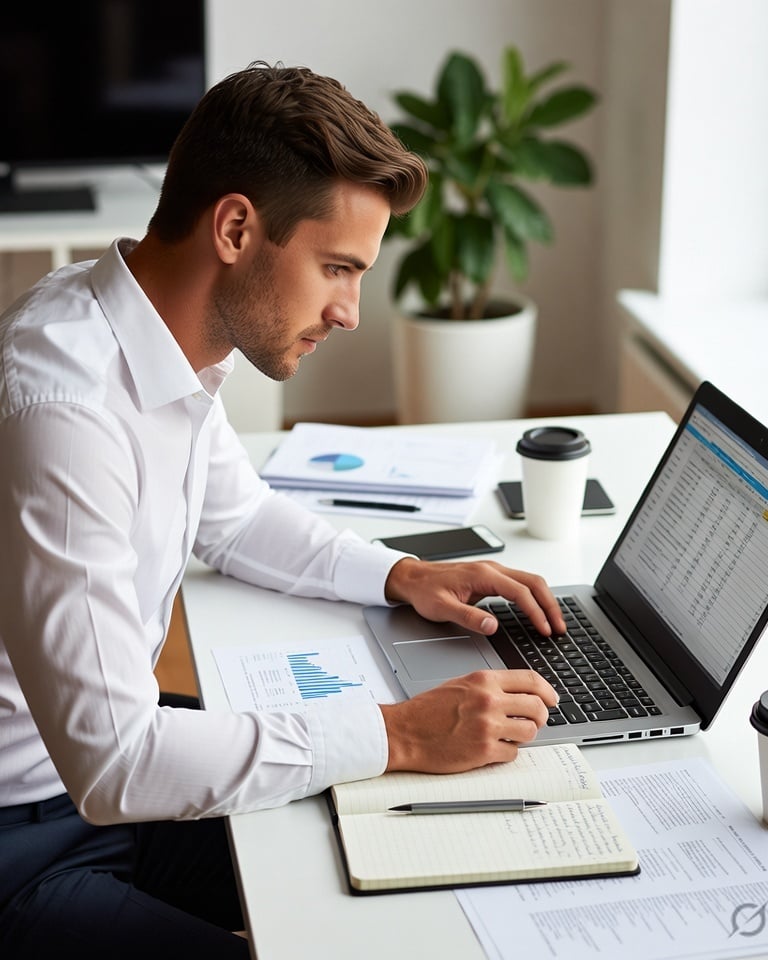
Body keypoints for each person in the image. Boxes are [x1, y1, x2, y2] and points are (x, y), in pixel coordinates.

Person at [0, 62, 564, 957]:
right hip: (28, 835)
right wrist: (397, 732)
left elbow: (237, 517)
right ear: (235, 227)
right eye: (337, 267)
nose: (348, 312)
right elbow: (116, 764)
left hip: (101, 783)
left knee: (415, 852)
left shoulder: (153, 333)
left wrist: (404, 574)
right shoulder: (66, 407)